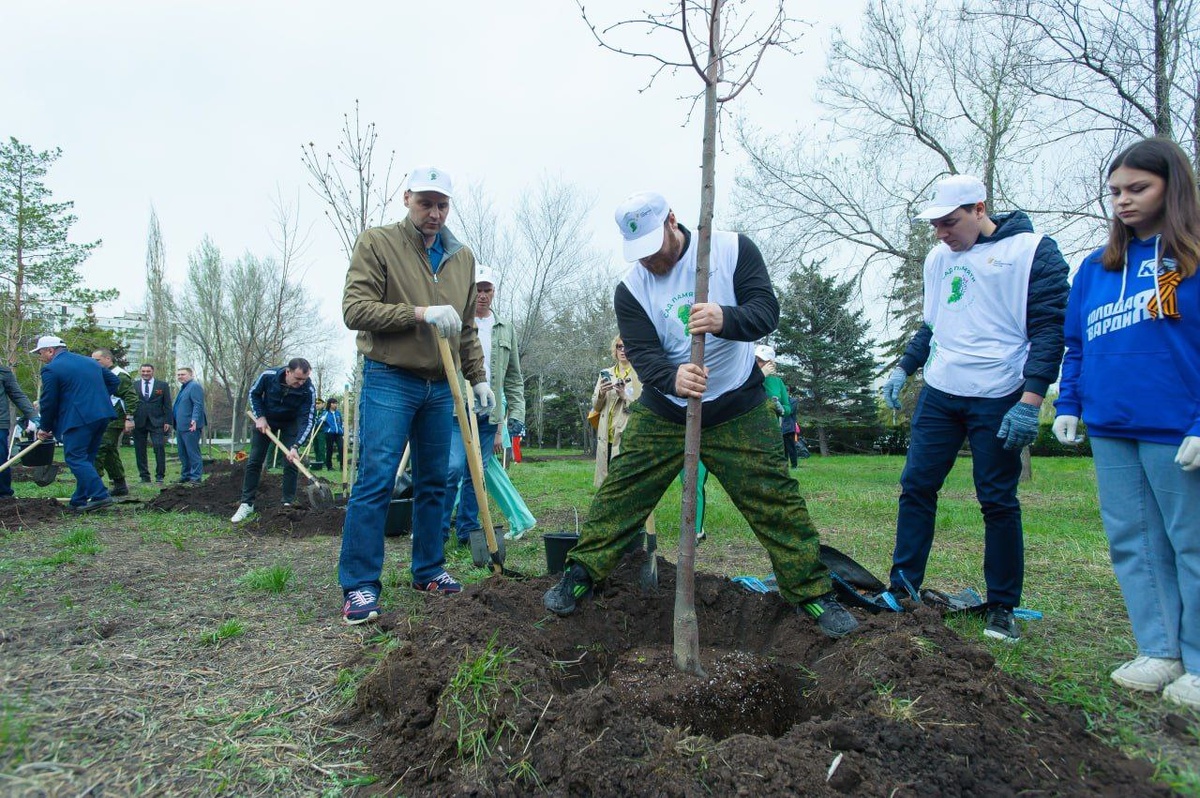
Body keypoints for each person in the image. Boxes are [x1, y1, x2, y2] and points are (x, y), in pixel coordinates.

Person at [544, 191, 858, 638]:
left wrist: (724, 318)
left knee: (775, 499)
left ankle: (810, 592)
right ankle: (582, 574)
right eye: (640, 255)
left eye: (655, 248)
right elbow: (644, 354)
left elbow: (766, 312)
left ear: (673, 221)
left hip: (737, 403)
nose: (650, 262)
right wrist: (671, 379)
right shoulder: (631, 288)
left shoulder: (731, 250)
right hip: (668, 409)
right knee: (623, 490)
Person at [881, 174, 1070, 643]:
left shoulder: (1032, 251)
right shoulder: (938, 258)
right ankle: (903, 588)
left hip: (1000, 393)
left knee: (997, 499)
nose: (942, 233)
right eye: (936, 226)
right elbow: (933, 323)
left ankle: (1002, 605)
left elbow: (1051, 329)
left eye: (950, 222)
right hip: (941, 392)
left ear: (979, 208)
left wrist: (1031, 400)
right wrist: (905, 367)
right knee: (916, 486)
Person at [1053, 138, 1200, 710]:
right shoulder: (1096, 267)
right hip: (1113, 426)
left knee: (1190, 544)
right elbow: (1077, 343)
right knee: (1133, 541)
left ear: (1173, 186)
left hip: (1177, 428)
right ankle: (1159, 649)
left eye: (1137, 188)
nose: (1123, 201)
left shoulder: (1192, 257)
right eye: (1115, 191)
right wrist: (1070, 404)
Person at [338, 165, 494, 625]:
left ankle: (428, 569)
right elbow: (354, 309)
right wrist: (420, 312)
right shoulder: (378, 242)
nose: (434, 212)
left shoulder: (462, 257)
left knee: (435, 482)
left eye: (442, 204)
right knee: (377, 479)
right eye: (426, 202)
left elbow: (465, 330)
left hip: (442, 384)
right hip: (391, 377)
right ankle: (361, 585)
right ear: (407, 198)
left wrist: (478, 376)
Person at [443, 265, 531, 545]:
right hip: (458, 412)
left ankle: (467, 531)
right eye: (477, 289)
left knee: (476, 473)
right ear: (471, 291)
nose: (482, 295)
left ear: (494, 292)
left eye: (487, 289)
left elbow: (514, 377)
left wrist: (516, 413)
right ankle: (439, 529)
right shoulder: (457, 324)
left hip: (488, 414)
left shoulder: (505, 329)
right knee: (453, 468)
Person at [32, 335, 119, 512]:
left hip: (79, 419)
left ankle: (100, 495)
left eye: (40, 353)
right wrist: (96, 398)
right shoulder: (90, 362)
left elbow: (48, 401)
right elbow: (114, 381)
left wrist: (45, 427)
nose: (40, 357)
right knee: (86, 458)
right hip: (102, 414)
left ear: (50, 350)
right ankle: (78, 500)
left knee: (75, 457)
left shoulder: (51, 369)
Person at [231, 358, 318, 522]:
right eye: (298, 379)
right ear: (288, 372)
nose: (301, 383)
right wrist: (260, 417)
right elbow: (254, 394)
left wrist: (296, 445)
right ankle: (246, 504)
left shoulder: (309, 389)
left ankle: (287, 503)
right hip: (266, 420)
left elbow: (308, 419)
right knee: (255, 461)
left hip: (290, 423)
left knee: (291, 462)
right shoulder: (268, 376)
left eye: (304, 379)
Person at [591, 336, 641, 488]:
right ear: (615, 349)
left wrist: (625, 396)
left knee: (625, 482)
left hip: (627, 435)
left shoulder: (639, 375)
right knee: (606, 482)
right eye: (619, 346)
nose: (623, 350)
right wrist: (601, 393)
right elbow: (596, 407)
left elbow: (642, 409)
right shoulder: (605, 373)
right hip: (606, 435)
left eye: (626, 346)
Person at [90, 349, 139, 497]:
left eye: (97, 360)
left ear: (107, 359)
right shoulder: (103, 373)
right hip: (105, 417)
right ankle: (120, 485)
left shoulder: (120, 375)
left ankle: (94, 486)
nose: (94, 363)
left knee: (99, 448)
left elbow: (131, 396)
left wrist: (129, 418)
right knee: (110, 451)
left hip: (115, 418)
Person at [0, 359, 38, 501]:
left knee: (0, 457)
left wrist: (33, 416)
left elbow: (17, 395)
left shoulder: (3, 372)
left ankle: (3, 494)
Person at [756, 344, 796, 466]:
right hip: (751, 428)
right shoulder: (748, 377)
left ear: (771, 363)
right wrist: (760, 375)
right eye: (755, 359)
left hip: (771, 430)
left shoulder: (778, 382)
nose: (757, 363)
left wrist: (781, 408)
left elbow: (788, 408)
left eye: (761, 360)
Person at [131, 363, 172, 484]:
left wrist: (168, 421)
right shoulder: (134, 385)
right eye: (143, 371)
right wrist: (129, 419)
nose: (145, 373)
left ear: (152, 372)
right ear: (140, 372)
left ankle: (160, 476)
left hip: (157, 421)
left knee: (159, 447)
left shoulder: (162, 385)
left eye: (148, 371)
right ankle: (144, 477)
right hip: (138, 421)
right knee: (140, 449)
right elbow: (131, 403)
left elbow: (168, 405)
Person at [173, 367, 207, 484]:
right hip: (180, 426)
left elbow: (198, 404)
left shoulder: (194, 386)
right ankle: (186, 475)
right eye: (178, 375)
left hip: (190, 426)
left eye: (183, 374)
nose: (180, 376)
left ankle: (196, 477)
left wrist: (194, 420)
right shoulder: (184, 388)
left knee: (192, 452)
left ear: (191, 375)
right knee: (183, 453)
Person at [323, 398, 344, 471]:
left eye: (336, 403)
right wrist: (322, 420)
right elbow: (319, 423)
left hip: (338, 433)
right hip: (329, 433)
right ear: (330, 404)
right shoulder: (325, 413)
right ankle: (329, 466)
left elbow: (340, 423)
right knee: (330, 449)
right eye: (334, 403)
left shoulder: (338, 413)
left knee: (341, 448)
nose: (336, 405)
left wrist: (341, 430)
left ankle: (342, 466)